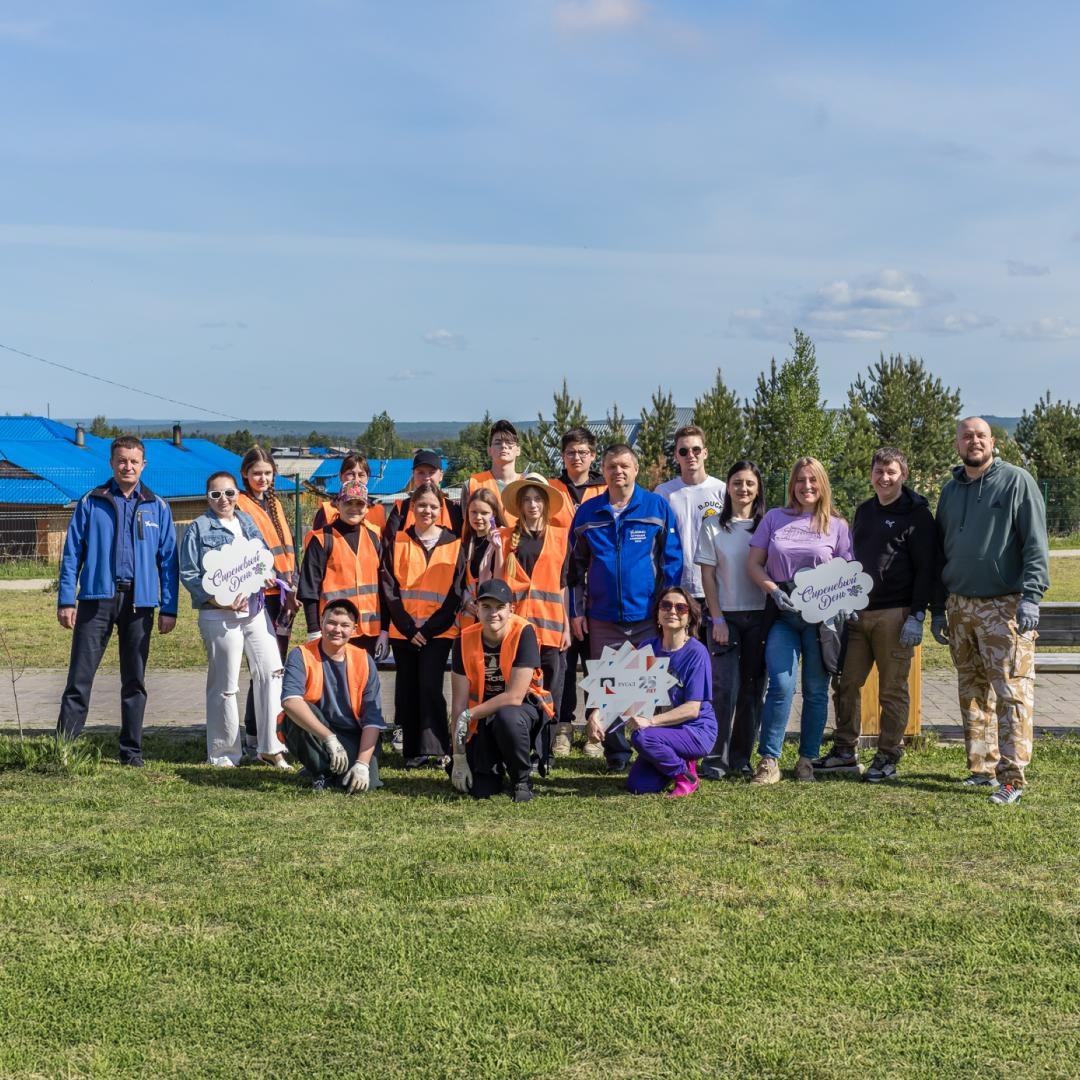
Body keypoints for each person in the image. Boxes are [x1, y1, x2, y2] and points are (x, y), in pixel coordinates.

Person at [932, 416, 1049, 805]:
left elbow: (1035, 545)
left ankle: (1012, 777)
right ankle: (982, 768)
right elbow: (940, 552)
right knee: (972, 691)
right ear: (957, 445)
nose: (974, 441)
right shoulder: (950, 491)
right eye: (967, 436)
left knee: (1011, 691)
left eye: (981, 435)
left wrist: (1031, 595)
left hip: (1005, 606)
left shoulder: (1017, 482)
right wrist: (939, 609)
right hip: (960, 607)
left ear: (992, 441)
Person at [815, 448, 936, 783]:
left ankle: (887, 756)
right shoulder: (865, 511)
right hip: (858, 615)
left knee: (892, 690)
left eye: (891, 472)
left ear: (904, 475)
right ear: (871, 474)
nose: (884, 478)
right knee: (846, 683)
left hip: (895, 616)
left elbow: (927, 569)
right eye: (879, 471)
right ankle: (844, 751)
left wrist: (917, 615)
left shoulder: (917, 515)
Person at [56, 435, 179, 766]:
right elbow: (71, 556)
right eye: (122, 460)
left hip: (140, 604)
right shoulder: (92, 501)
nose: (128, 466)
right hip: (97, 599)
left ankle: (131, 751)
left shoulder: (157, 506)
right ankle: (64, 749)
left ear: (143, 465)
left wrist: (169, 607)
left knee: (134, 681)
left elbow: (169, 561)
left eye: (134, 461)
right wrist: (67, 599)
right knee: (79, 679)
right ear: (111, 463)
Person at [571, 443, 683, 770]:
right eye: (611, 467)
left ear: (636, 469)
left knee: (648, 686)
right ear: (602, 472)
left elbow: (671, 562)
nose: (618, 472)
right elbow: (574, 568)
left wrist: (666, 610)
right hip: (603, 616)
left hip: (648, 616)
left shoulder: (656, 507)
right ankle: (617, 754)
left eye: (624, 466)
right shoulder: (588, 513)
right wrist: (577, 611)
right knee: (608, 685)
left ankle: (651, 749)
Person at [747, 457, 852, 784]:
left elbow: (848, 572)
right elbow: (753, 564)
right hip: (783, 614)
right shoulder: (774, 519)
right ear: (791, 485)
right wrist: (773, 590)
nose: (807, 486)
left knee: (816, 690)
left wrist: (845, 603)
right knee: (780, 685)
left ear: (823, 485)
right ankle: (769, 760)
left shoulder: (837, 525)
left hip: (821, 620)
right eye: (800, 480)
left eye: (813, 480)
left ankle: (806, 758)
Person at [179, 471, 287, 768]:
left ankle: (271, 747)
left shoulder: (247, 521)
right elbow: (188, 573)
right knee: (225, 685)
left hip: (254, 611)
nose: (223, 500)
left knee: (272, 672)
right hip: (219, 616)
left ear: (237, 494)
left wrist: (268, 576)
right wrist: (217, 598)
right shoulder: (198, 529)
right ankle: (225, 753)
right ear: (207, 497)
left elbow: (263, 556)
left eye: (228, 493)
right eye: (216, 494)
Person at [380, 481, 464, 767]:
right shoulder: (398, 541)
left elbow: (456, 592)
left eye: (433, 506)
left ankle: (438, 747)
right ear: (412, 508)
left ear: (441, 510)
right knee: (407, 688)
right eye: (422, 505)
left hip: (437, 632)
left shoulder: (454, 543)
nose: (427, 510)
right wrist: (406, 627)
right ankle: (414, 751)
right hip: (403, 631)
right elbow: (389, 587)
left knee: (430, 685)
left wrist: (427, 630)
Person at [449, 579, 554, 802]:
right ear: (477, 609)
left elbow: (515, 696)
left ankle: (521, 779)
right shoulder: (463, 640)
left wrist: (470, 715)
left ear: (511, 609)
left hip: (521, 710)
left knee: (508, 717)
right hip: (481, 717)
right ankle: (492, 767)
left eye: (500, 607)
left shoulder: (523, 632)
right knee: (480, 789)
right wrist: (458, 756)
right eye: (486, 607)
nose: (493, 613)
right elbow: (458, 703)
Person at [695, 460, 768, 780]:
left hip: (762, 618)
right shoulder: (713, 525)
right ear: (728, 486)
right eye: (737, 482)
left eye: (749, 483)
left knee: (753, 690)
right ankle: (715, 758)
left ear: (758, 488)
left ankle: (741, 757)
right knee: (723, 689)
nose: (743, 489)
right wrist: (717, 618)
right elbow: (707, 577)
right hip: (725, 618)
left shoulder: (768, 524)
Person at [497, 473, 571, 765]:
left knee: (552, 691)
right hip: (516, 629)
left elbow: (564, 585)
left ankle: (546, 751)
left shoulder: (561, 537)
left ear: (546, 503)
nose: (532, 504)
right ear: (519, 504)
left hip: (551, 627)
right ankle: (519, 746)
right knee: (517, 688)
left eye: (538, 498)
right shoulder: (504, 538)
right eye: (526, 499)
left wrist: (566, 625)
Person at [279, 598, 386, 793]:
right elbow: (290, 702)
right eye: (332, 623)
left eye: (345, 625)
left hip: (352, 733)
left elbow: (373, 718)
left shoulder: (363, 659)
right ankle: (320, 771)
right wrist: (329, 738)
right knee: (297, 714)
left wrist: (362, 764)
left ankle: (326, 767)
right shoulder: (300, 654)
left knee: (364, 784)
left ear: (354, 629)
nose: (337, 630)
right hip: (318, 731)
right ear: (321, 623)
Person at [624, 587, 718, 798]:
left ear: (690, 617)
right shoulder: (648, 647)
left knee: (642, 737)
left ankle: (685, 776)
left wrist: (650, 721)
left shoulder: (696, 652)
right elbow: (624, 689)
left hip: (695, 731)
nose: (672, 611)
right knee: (638, 785)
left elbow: (692, 710)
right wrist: (597, 716)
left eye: (680, 607)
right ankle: (681, 760)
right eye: (665, 605)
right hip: (663, 732)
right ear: (657, 614)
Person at [237, 445, 299, 756]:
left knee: (276, 668)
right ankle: (254, 731)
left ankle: (266, 729)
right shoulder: (242, 505)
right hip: (262, 596)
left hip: (284, 596)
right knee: (264, 667)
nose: (262, 478)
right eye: (256, 473)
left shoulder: (273, 505)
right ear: (245, 474)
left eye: (267, 473)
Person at [548, 426, 606, 748]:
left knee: (596, 659)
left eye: (583, 452)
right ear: (563, 456)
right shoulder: (552, 490)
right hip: (559, 586)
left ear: (593, 455)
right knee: (565, 660)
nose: (577, 457)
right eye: (571, 452)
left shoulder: (604, 490)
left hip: (596, 587)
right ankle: (563, 726)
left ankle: (594, 727)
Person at [297, 481, 389, 659]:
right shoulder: (322, 539)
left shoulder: (374, 538)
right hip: (335, 630)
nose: (354, 508)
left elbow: (383, 590)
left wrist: (384, 630)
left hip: (369, 631)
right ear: (338, 504)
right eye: (349, 503)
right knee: (334, 685)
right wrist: (314, 630)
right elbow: (309, 590)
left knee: (363, 684)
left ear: (367, 507)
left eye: (359, 503)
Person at [654, 424, 726, 630]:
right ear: (676, 455)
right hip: (677, 588)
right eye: (684, 451)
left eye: (696, 450)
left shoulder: (721, 490)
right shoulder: (664, 493)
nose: (690, 455)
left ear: (705, 453)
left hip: (715, 587)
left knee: (713, 655)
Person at [458, 488, 506, 631]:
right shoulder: (466, 543)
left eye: (484, 513)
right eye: (473, 512)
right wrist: (466, 602)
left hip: (494, 615)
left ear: (494, 514)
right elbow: (460, 582)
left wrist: (497, 548)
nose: (478, 517)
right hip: (471, 616)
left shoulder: (504, 539)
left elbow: (502, 578)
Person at [383, 449, 462, 537]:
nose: (426, 477)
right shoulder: (402, 509)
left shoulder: (454, 509)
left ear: (441, 475)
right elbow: (389, 543)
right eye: (421, 472)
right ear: (413, 475)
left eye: (431, 472)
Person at [308, 452, 387, 538]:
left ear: (367, 478)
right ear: (340, 476)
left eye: (361, 475)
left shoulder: (378, 511)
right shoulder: (327, 511)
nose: (356, 480)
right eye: (350, 474)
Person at [461, 419, 523, 527]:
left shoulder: (528, 484)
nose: (503, 446)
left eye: (509, 442)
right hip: (483, 543)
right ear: (489, 450)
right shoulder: (471, 485)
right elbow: (467, 526)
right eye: (498, 442)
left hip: (521, 543)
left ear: (518, 450)